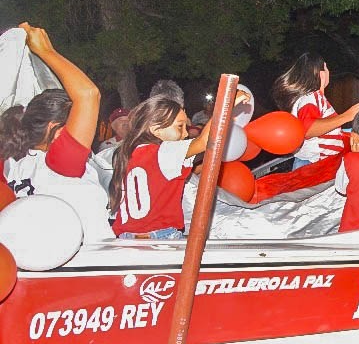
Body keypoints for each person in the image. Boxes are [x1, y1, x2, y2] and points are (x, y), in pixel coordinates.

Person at [0, 23, 113, 241]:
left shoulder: (13, 164)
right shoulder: (59, 163)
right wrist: (46, 51)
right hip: (85, 257)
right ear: (56, 129)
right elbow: (88, 94)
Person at [109, 97, 213, 239]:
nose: (186, 133)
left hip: (128, 237)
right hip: (160, 236)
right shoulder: (163, 152)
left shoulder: (132, 153)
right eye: (180, 126)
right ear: (156, 130)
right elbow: (205, 141)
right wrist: (227, 105)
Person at [272, 54, 359, 170]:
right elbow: (308, 129)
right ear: (321, 73)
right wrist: (346, 116)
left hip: (314, 164)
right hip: (314, 165)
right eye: (326, 68)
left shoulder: (311, 98)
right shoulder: (311, 97)